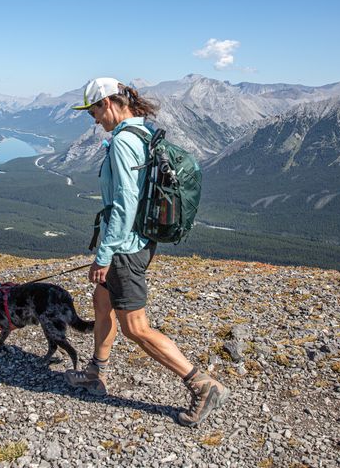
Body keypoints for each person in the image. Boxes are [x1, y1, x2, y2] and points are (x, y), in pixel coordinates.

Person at [64, 77, 230, 427]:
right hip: (139, 240)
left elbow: (124, 204)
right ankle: (96, 371)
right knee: (101, 301)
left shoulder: (124, 141)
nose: (93, 119)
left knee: (136, 328)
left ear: (108, 103)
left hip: (124, 249)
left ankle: (202, 385)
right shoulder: (142, 131)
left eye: (94, 110)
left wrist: (105, 255)